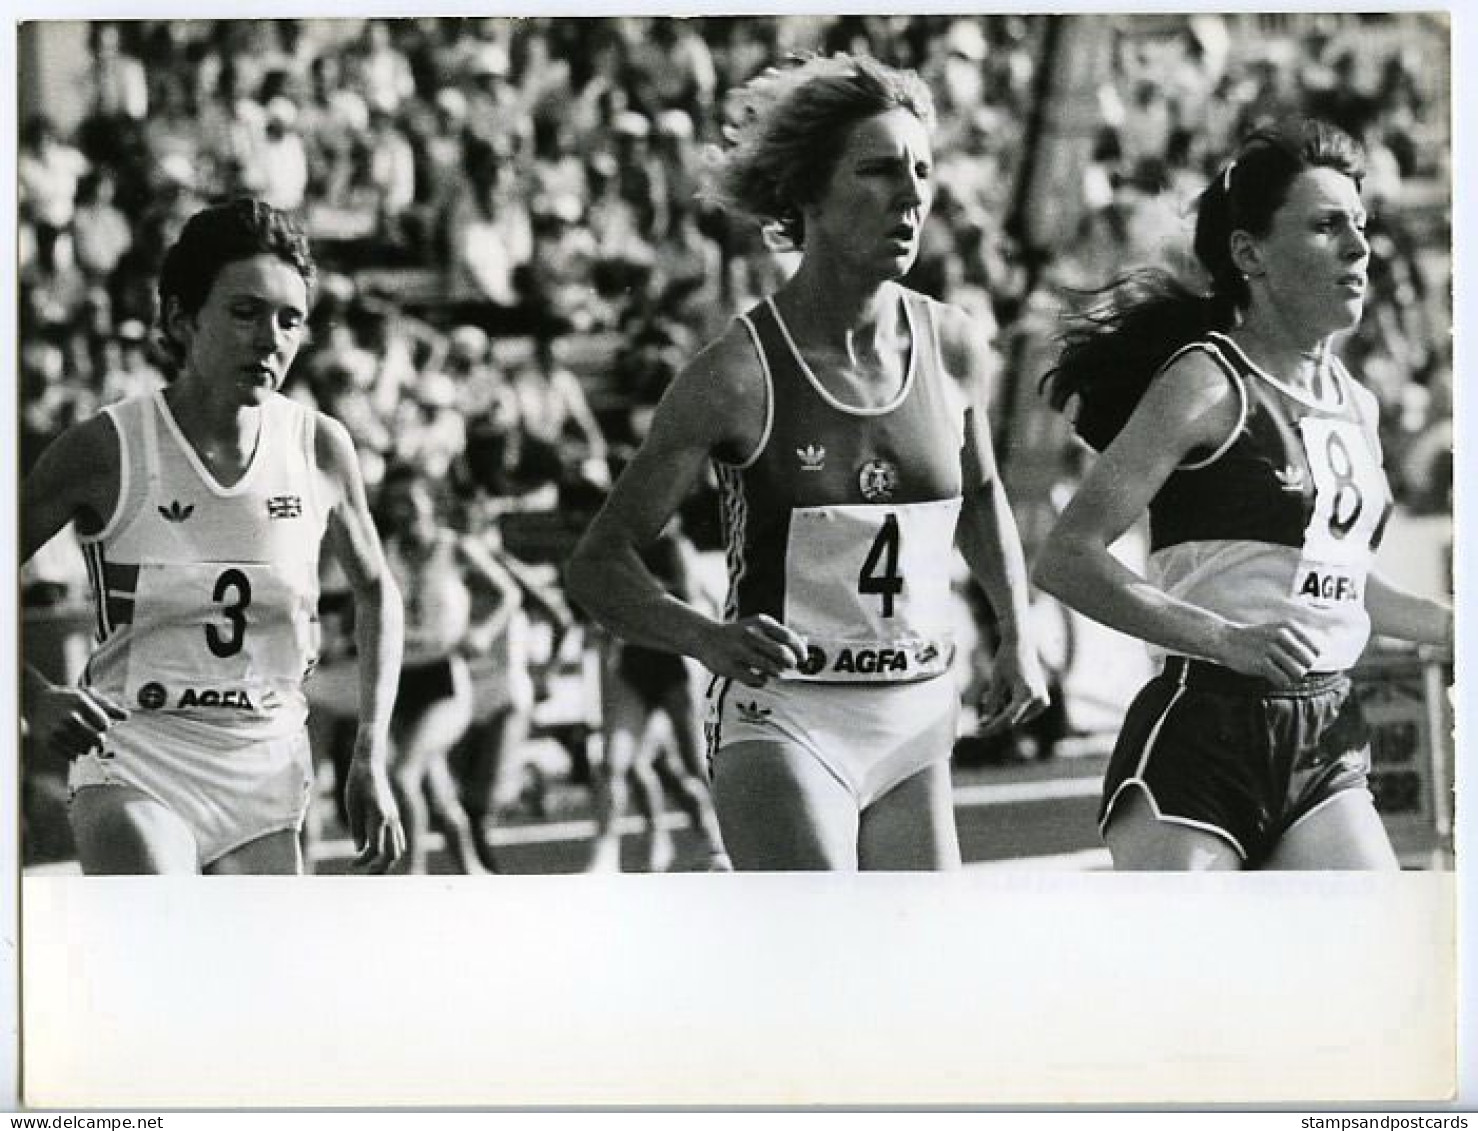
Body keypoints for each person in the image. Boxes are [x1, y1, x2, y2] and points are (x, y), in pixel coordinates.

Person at [568, 54, 1048, 871]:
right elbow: (597, 567)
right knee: (824, 965)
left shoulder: (956, 344)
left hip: (916, 715)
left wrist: (1018, 632)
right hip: (785, 717)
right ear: (809, 195)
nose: (912, 195)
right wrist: (706, 637)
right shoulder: (736, 375)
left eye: (924, 171)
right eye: (879, 170)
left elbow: (979, 495)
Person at [1033, 118, 1454, 871]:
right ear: (1248, 252)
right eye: (1327, 226)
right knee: (1201, 985)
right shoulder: (1206, 381)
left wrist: (1450, 624)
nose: (1359, 248)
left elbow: (1346, 586)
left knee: (1372, 969)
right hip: (1203, 736)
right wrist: (1227, 637)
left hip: (1323, 737)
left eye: (1360, 225)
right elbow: (1067, 557)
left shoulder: (1358, 402)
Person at [20, 199, 405, 875]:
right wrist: (27, 693)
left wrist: (369, 747)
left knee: (261, 979)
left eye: (290, 319)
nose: (271, 337)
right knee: (168, 942)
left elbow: (379, 594)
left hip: (265, 766)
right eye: (245, 311)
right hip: (137, 754)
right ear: (181, 318)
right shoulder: (109, 447)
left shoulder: (318, 448)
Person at [374, 464, 520, 874]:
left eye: (410, 500)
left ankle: (413, 877)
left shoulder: (454, 547)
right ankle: (475, 874)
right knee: (437, 802)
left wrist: (484, 633)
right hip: (401, 682)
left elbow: (509, 593)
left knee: (403, 778)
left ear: (430, 504)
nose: (403, 510)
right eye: (394, 502)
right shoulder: (384, 553)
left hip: (445, 680)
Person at [585, 516, 731, 873]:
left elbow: (686, 596)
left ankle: (719, 841)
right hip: (634, 662)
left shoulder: (673, 546)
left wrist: (633, 595)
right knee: (613, 762)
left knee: (694, 763)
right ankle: (606, 853)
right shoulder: (617, 548)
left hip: (674, 662)